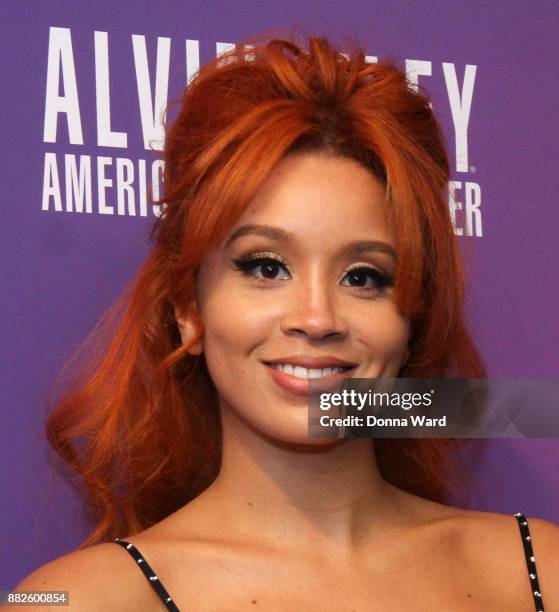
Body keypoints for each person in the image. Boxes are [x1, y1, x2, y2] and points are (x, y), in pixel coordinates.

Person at [9, 33, 558, 611]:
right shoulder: (75, 601)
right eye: (265, 266)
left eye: (364, 276)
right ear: (188, 309)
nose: (318, 318)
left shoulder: (538, 571)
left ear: (413, 316)